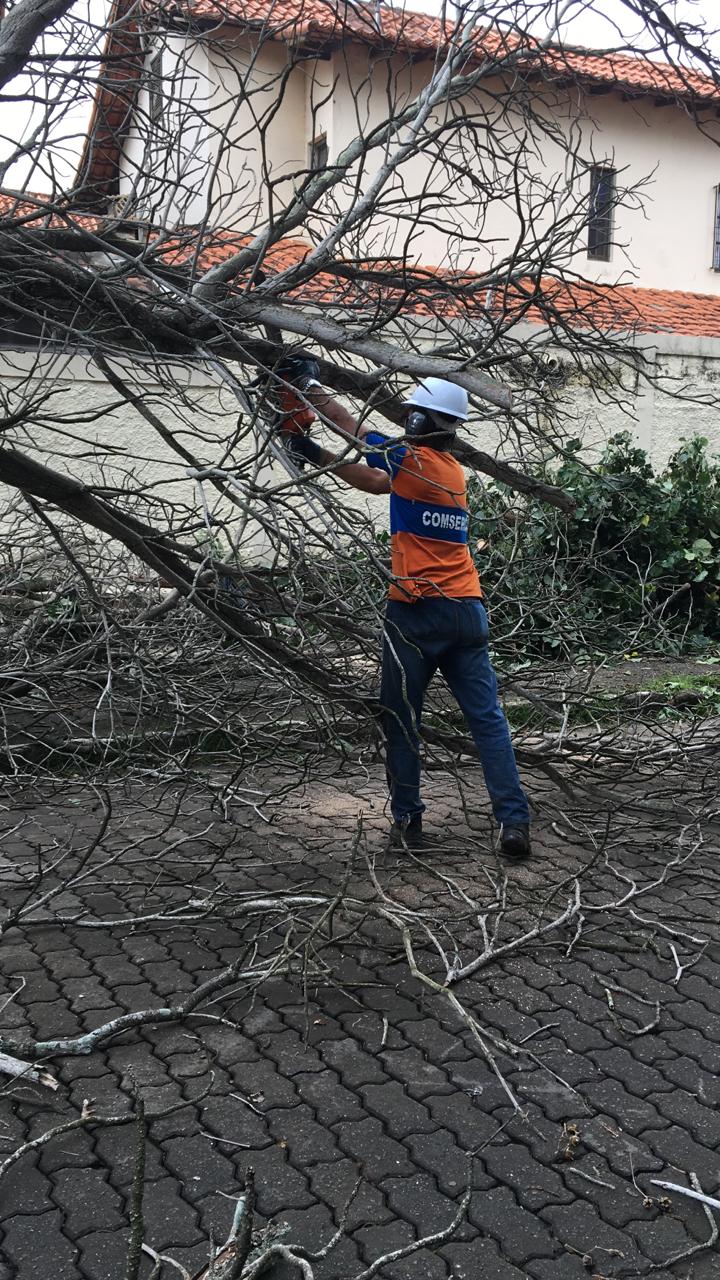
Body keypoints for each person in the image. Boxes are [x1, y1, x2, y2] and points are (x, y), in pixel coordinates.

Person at [275, 353, 531, 859]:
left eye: (411, 415)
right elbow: (373, 480)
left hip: (416, 613)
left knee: (402, 718)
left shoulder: (408, 459)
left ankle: (409, 821)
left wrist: (306, 384)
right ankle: (514, 822)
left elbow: (350, 425)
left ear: (418, 421)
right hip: (468, 611)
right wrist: (311, 451)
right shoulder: (449, 472)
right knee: (488, 722)